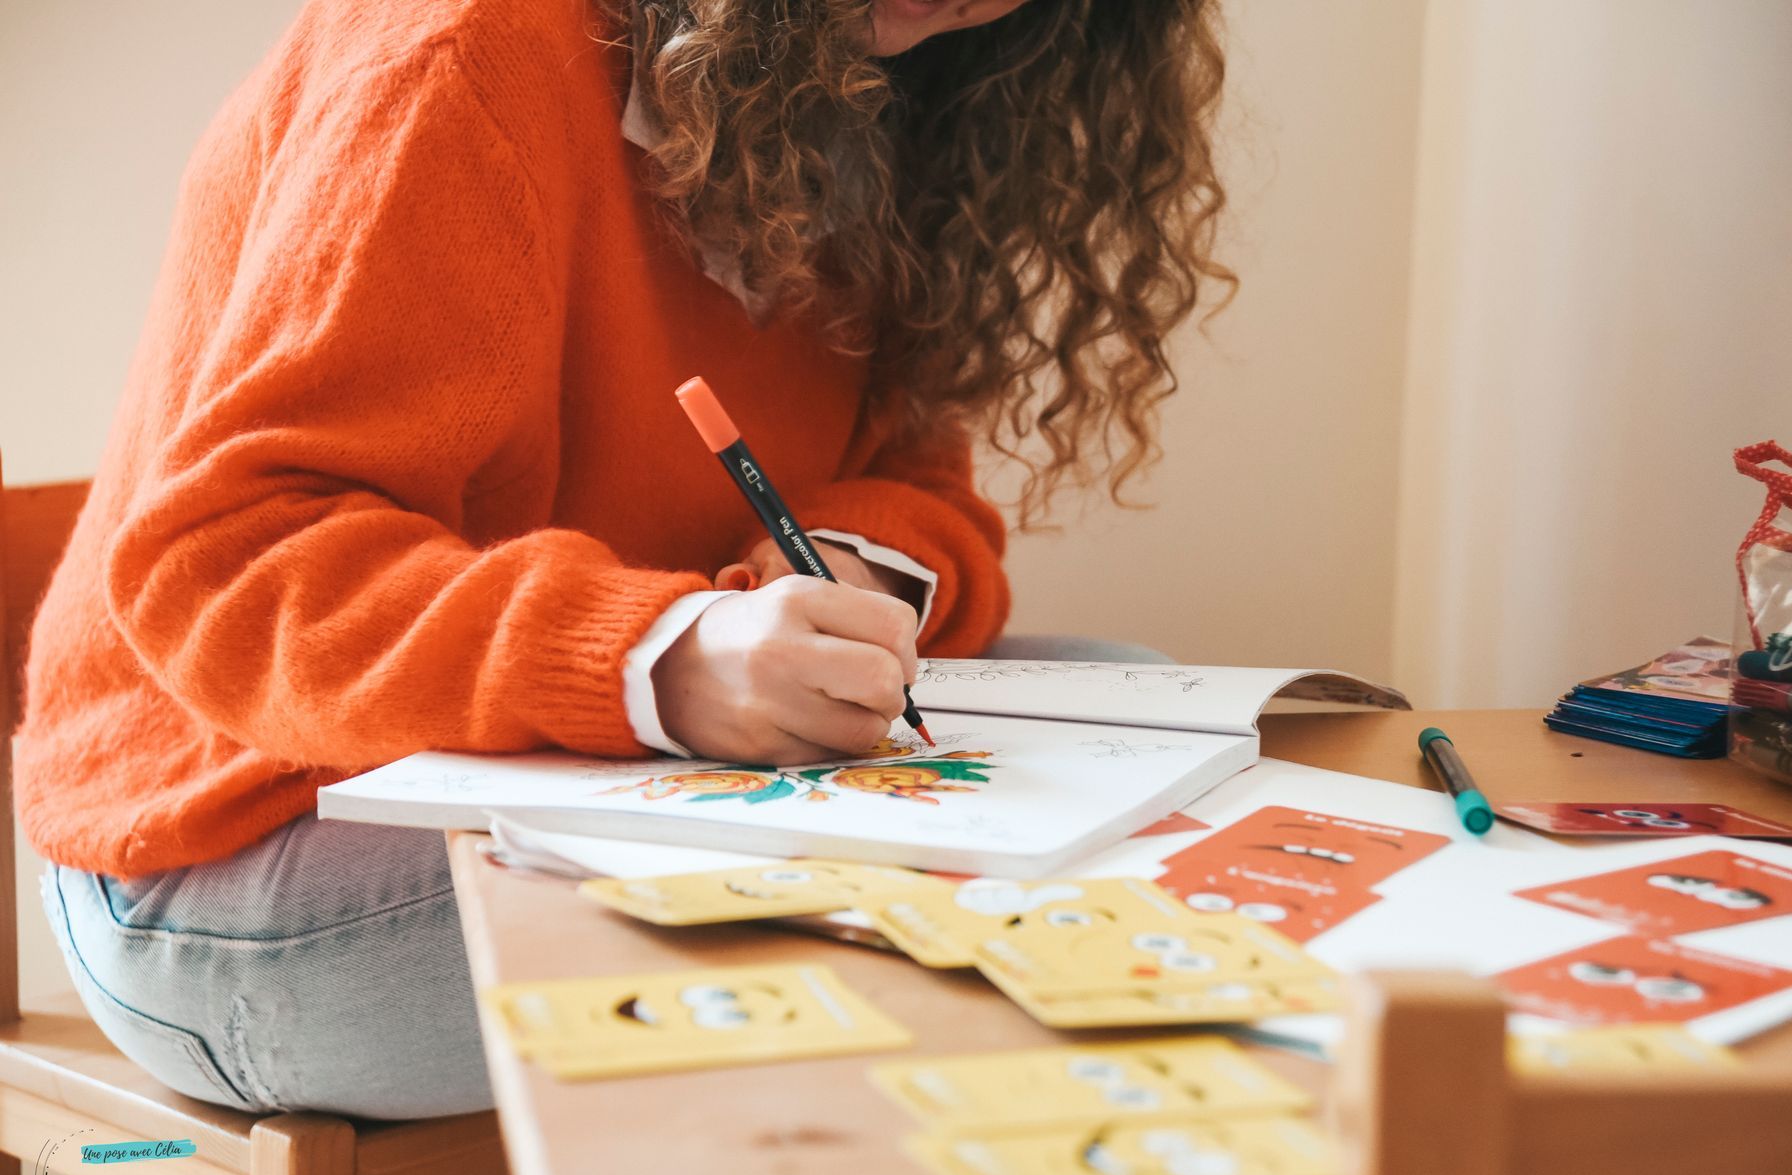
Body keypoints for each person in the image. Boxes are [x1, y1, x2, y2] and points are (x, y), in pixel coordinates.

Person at [20, 0, 1231, 1118]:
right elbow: (227, 565)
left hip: (593, 769)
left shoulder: (892, 80)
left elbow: (924, 486)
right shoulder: (464, 53)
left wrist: (851, 572)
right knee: (918, 927)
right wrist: (657, 658)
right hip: (226, 840)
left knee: (1164, 743)